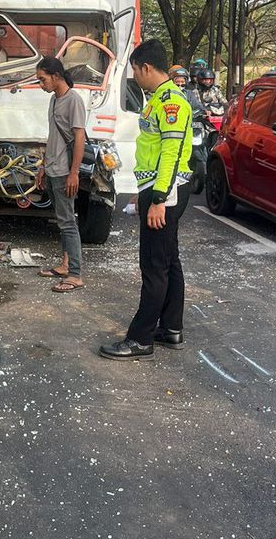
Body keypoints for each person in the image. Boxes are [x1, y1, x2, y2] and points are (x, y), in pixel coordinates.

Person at [101, 39, 193, 360]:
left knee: (154, 265)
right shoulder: (158, 99)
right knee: (169, 260)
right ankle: (170, 328)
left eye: (136, 71)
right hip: (159, 188)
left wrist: (158, 199)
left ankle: (140, 338)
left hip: (165, 190)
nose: (135, 77)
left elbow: (171, 154)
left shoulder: (172, 103)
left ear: (147, 67)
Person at [34, 57, 87, 293]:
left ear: (56, 76)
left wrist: (74, 173)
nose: (41, 84)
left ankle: (75, 274)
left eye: (43, 79)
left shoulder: (73, 100)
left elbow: (79, 138)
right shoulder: (54, 100)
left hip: (66, 171)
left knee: (68, 223)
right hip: (53, 169)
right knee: (62, 220)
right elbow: (52, 136)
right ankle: (65, 265)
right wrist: (43, 166)